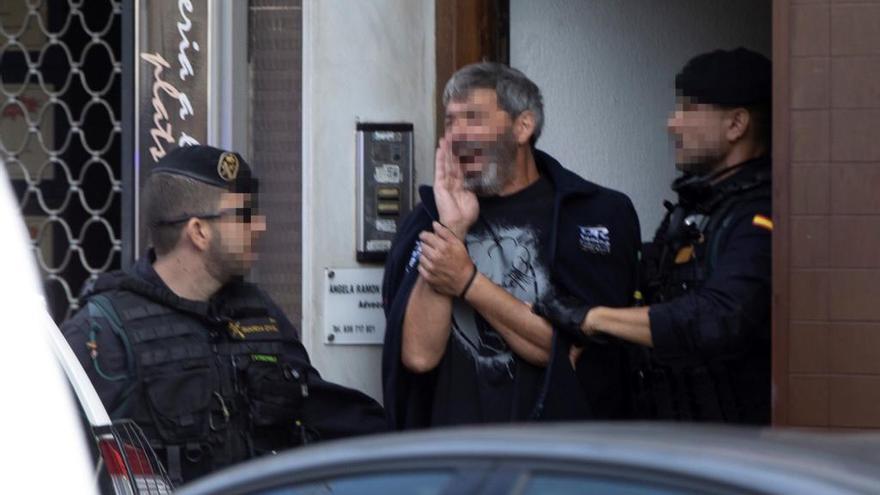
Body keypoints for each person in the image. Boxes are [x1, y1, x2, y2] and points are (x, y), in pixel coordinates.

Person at [62, 145, 386, 485]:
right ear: (199, 231)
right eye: (244, 215)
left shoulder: (258, 312)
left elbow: (321, 411)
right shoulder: (105, 330)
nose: (259, 226)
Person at [382, 62, 641, 429]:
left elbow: (566, 351)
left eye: (473, 117)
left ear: (523, 126)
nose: (457, 134)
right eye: (451, 122)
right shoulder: (424, 221)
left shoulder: (592, 214)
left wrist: (469, 282)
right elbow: (419, 357)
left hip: (556, 461)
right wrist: (451, 229)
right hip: (451, 460)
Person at [535, 47, 773, 424]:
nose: (672, 124)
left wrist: (594, 318)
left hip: (735, 448)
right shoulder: (695, 209)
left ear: (736, 124)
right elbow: (651, 289)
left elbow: (719, 315)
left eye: (688, 110)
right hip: (673, 436)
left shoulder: (759, 215)